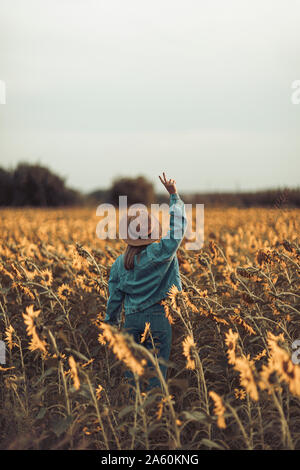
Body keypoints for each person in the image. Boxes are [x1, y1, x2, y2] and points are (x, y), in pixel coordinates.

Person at [103, 173, 187, 393]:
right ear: (152, 233)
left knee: (132, 376)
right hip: (159, 318)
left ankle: (134, 419)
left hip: (131, 322)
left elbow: (114, 301)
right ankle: (155, 419)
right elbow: (177, 231)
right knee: (156, 376)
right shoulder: (161, 252)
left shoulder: (119, 265)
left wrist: (110, 326)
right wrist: (174, 196)